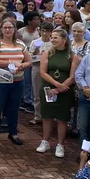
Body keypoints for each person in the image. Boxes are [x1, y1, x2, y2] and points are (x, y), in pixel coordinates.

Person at [36, 28, 79, 158]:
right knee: (47, 115)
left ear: (64, 40)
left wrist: (62, 87)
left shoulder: (72, 56)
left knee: (62, 118)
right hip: (48, 88)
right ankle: (45, 141)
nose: (52, 39)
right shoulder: (47, 53)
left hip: (65, 90)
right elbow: (43, 72)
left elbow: (73, 76)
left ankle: (60, 144)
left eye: (55, 37)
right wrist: (56, 85)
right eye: (52, 37)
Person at [0, 19, 32, 145]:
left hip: (17, 81)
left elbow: (28, 61)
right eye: (5, 27)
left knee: (14, 107)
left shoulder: (20, 44)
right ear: (1, 29)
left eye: (10, 28)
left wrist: (22, 66)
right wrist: (10, 63)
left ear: (14, 30)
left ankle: (13, 132)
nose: (7, 30)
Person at [28, 22, 53, 126]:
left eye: (47, 31)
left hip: (50, 69)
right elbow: (30, 58)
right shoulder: (35, 42)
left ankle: (49, 116)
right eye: (43, 30)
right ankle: (37, 116)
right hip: (37, 67)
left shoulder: (53, 43)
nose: (44, 33)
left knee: (49, 92)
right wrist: (36, 54)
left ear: (51, 32)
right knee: (37, 93)